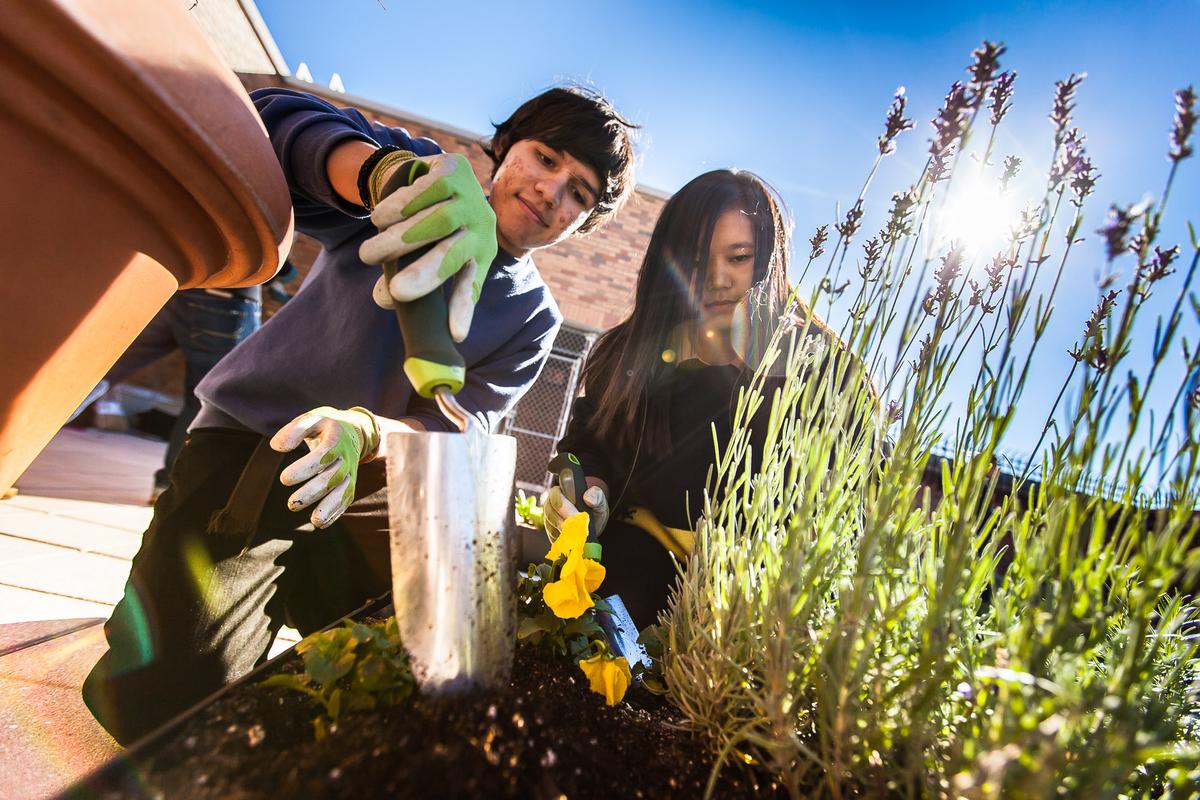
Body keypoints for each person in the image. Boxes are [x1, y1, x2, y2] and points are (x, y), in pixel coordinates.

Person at [83, 85, 636, 744]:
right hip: (256, 451)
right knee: (162, 707)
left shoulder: (534, 316)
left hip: (378, 493)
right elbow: (267, 120)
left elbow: (467, 426)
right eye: (547, 159)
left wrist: (369, 432)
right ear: (506, 145)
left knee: (429, 688)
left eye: (579, 192)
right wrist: (379, 175)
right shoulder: (419, 179)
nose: (553, 192)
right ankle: (182, 616)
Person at [543, 170, 874, 625]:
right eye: (697, 261)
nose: (717, 279)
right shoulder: (629, 353)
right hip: (633, 575)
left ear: (768, 262)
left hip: (754, 599)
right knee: (610, 630)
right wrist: (585, 488)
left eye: (738, 258)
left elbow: (850, 502)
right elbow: (586, 445)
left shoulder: (824, 370)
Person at [74, 286, 262, 502]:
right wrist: (286, 272)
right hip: (225, 300)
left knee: (101, 371)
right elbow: (270, 256)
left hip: (171, 286)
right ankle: (169, 488)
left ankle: (29, 439)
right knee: (204, 402)